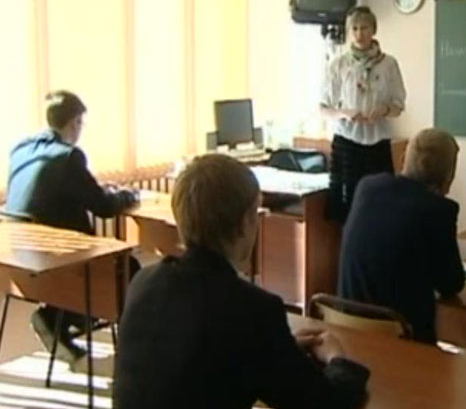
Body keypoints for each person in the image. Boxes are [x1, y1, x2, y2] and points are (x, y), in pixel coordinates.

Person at [113, 154, 369, 409]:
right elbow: (328, 404)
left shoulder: (142, 282)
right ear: (246, 222)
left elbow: (195, 358)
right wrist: (337, 358)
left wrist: (279, 348)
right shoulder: (253, 310)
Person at [5, 90, 138, 362]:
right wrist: (128, 196)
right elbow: (104, 207)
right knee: (129, 270)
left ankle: (59, 318)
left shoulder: (21, 149)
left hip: (19, 257)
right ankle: (59, 318)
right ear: (75, 122)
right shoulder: (69, 157)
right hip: (60, 261)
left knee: (103, 272)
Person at [338, 129, 465, 344]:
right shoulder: (439, 211)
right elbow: (451, 284)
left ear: (403, 159)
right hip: (402, 342)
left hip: (348, 333)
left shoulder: (367, 187)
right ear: (448, 177)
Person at [320, 6, 406, 223]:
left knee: (381, 206)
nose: (360, 34)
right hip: (347, 142)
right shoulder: (338, 64)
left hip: (377, 143)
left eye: (365, 28)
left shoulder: (388, 64)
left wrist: (384, 110)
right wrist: (344, 113)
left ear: (373, 30)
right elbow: (323, 108)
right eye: (355, 28)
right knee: (347, 209)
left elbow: (398, 105)